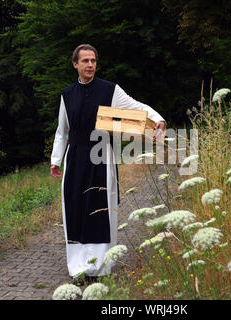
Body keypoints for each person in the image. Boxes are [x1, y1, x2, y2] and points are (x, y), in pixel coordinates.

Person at [50, 44, 166, 286]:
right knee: (76, 210)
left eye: (93, 60)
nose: (90, 65)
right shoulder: (66, 94)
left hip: (101, 156)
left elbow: (136, 106)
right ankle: (79, 269)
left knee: (100, 209)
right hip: (75, 159)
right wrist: (55, 160)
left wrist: (157, 118)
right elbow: (62, 131)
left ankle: (100, 267)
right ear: (75, 64)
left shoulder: (109, 90)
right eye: (85, 61)